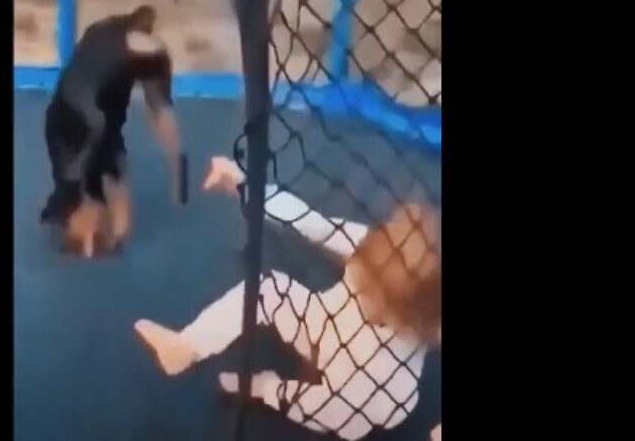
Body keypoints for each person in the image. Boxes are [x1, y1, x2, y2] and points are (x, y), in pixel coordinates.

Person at [134, 157, 440, 440]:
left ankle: (266, 388)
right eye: (361, 280)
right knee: (269, 288)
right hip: (320, 327)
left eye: (375, 300)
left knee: (342, 416)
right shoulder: (374, 250)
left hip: (365, 391)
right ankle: (187, 347)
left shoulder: (426, 328)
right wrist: (245, 185)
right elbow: (312, 223)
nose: (361, 291)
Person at [40, 6, 180, 257]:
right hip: (82, 120)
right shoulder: (138, 51)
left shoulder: (102, 33)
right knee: (102, 188)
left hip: (72, 117)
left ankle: (92, 239)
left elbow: (157, 109)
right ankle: (96, 240)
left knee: (97, 186)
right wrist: (174, 163)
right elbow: (160, 113)